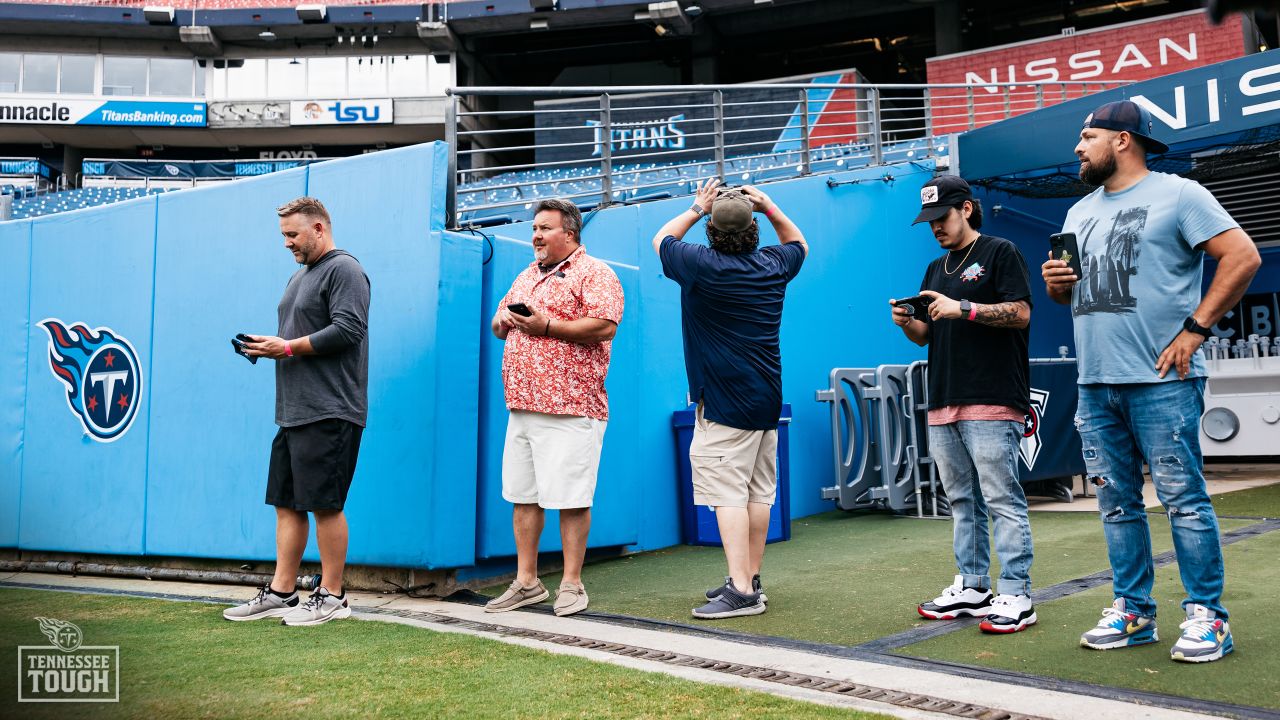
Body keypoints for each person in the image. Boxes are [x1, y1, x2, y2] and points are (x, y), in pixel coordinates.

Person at [1042, 100, 1260, 662]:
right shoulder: (1076, 213)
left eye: (1087, 136)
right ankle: (1135, 612)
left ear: (1122, 141)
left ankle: (1209, 618)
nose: (1076, 148)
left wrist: (1196, 328)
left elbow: (1241, 256)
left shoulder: (1180, 194)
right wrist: (1056, 283)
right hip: (1095, 381)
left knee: (1183, 499)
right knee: (1116, 504)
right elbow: (1064, 294)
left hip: (1162, 379)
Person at [653, 179, 807, 619]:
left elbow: (661, 238)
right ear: (754, 229)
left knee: (728, 496)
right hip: (766, 400)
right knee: (758, 493)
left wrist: (698, 206)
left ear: (713, 234)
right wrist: (770, 204)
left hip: (722, 403)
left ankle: (740, 590)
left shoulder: (699, 264)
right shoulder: (773, 264)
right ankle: (750, 579)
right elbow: (799, 243)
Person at [893, 175, 1038, 634]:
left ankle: (1016, 592)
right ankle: (974, 587)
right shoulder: (936, 269)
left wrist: (965, 308)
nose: (935, 227)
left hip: (993, 396)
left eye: (942, 217)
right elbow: (926, 337)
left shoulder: (1001, 251)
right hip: (944, 398)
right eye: (929, 221)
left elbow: (1021, 312)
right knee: (960, 499)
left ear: (967, 209)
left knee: (1001, 498)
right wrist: (905, 322)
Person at [224, 196, 371, 627]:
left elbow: (348, 329)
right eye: (284, 235)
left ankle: (334, 596)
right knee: (287, 504)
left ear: (319, 229)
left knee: (326, 505)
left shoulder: (345, 269)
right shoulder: (298, 278)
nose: (287, 243)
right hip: (293, 411)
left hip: (330, 409)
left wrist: (286, 346)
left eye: (293, 235)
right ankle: (283, 592)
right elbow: (298, 339)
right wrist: (268, 347)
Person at [485, 198, 624, 617]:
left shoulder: (595, 272)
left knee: (570, 498)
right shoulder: (527, 274)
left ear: (570, 233)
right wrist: (506, 321)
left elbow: (604, 325)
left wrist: (546, 326)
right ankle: (526, 583)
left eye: (545, 228)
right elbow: (496, 324)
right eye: (534, 228)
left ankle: (571, 584)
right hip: (523, 404)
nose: (536, 236)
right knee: (523, 496)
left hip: (571, 406)